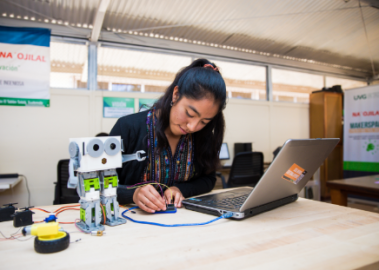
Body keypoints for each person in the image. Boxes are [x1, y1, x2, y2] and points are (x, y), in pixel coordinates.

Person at [110, 58, 227, 213]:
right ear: (176, 94)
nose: (193, 127)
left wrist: (180, 189)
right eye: (190, 114)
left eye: (204, 121)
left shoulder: (203, 136)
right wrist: (132, 194)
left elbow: (209, 179)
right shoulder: (128, 127)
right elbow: (96, 184)